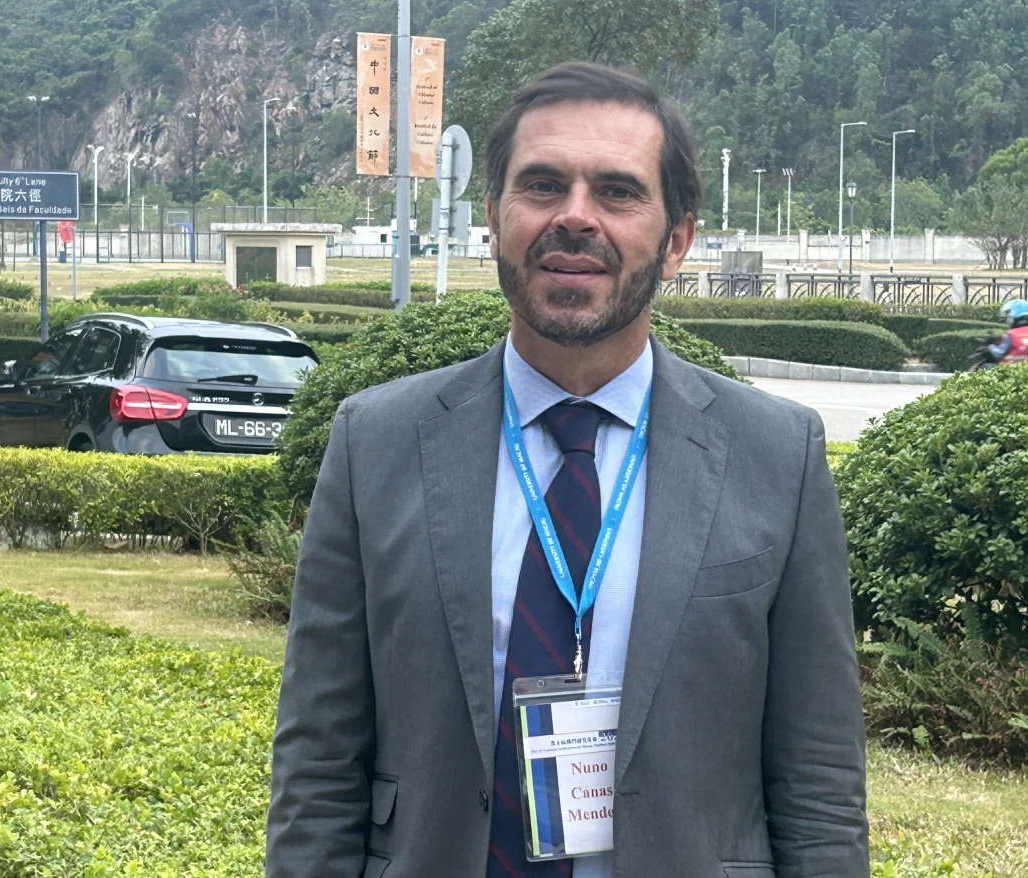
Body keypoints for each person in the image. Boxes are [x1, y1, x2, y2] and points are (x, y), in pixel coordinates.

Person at [266, 61, 868, 878]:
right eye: (543, 185)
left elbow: (819, 784)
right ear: (493, 219)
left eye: (617, 192)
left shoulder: (777, 457)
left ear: (677, 241)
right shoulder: (375, 442)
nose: (575, 217)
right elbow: (318, 763)